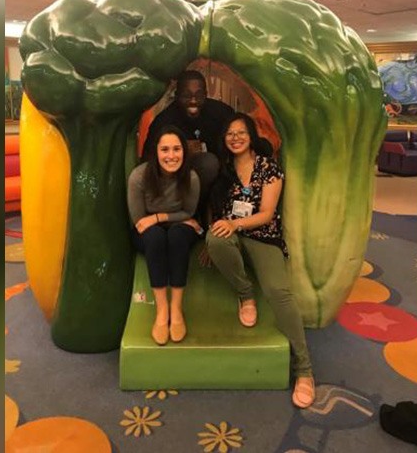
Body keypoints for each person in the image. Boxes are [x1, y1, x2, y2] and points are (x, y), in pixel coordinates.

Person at [205, 113, 315, 408]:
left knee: (279, 292)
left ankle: (304, 369)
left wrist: (235, 225)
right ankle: (245, 294)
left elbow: (267, 213)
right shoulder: (223, 168)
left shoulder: (268, 167)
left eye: (241, 132)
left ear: (251, 136)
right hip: (232, 233)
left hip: (262, 235)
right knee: (214, 239)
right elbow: (216, 209)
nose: (235, 138)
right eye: (230, 133)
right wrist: (216, 234)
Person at [127, 126, 203, 346]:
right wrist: (161, 220)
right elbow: (140, 222)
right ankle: (162, 310)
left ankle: (176, 309)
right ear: (156, 152)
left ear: (184, 152)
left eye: (177, 149)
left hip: (177, 225)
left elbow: (188, 213)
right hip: (149, 232)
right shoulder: (139, 177)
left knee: (178, 236)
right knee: (156, 237)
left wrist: (159, 217)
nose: (171, 156)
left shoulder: (191, 177)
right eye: (165, 150)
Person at [143, 70, 235, 223]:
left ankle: (203, 213)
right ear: (177, 95)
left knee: (211, 164)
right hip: (173, 181)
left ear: (206, 94)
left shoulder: (220, 112)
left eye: (198, 95)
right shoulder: (164, 120)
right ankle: (185, 213)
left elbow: (241, 133)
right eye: (187, 96)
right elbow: (147, 158)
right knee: (208, 163)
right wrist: (180, 150)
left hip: (212, 180)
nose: (193, 101)